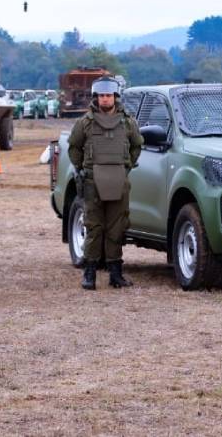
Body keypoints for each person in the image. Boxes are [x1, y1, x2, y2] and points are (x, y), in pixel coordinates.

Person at [67, 77, 142, 290]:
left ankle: (115, 274)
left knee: (117, 228)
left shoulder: (127, 122)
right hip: (92, 182)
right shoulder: (85, 122)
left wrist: (127, 166)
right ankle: (89, 274)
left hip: (119, 180)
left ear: (115, 97)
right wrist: (82, 168)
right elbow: (74, 147)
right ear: (96, 97)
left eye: (108, 95)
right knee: (94, 227)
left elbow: (137, 145)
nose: (105, 99)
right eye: (102, 96)